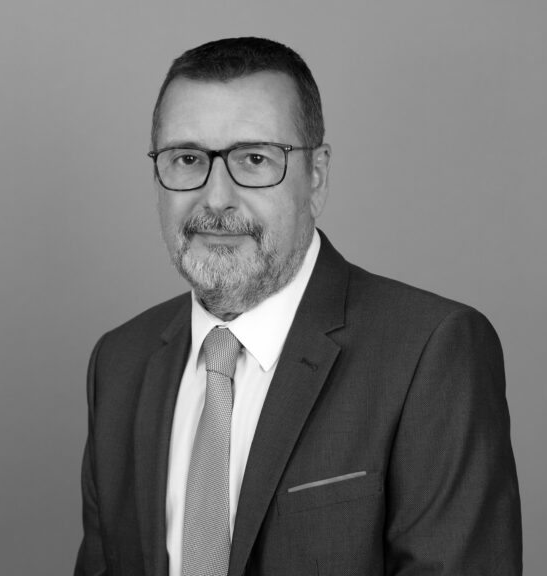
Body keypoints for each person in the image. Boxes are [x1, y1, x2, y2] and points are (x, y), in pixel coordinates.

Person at [74, 37, 522, 576]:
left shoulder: (430, 352)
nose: (216, 198)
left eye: (254, 159)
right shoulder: (120, 363)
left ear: (316, 176)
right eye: (187, 159)